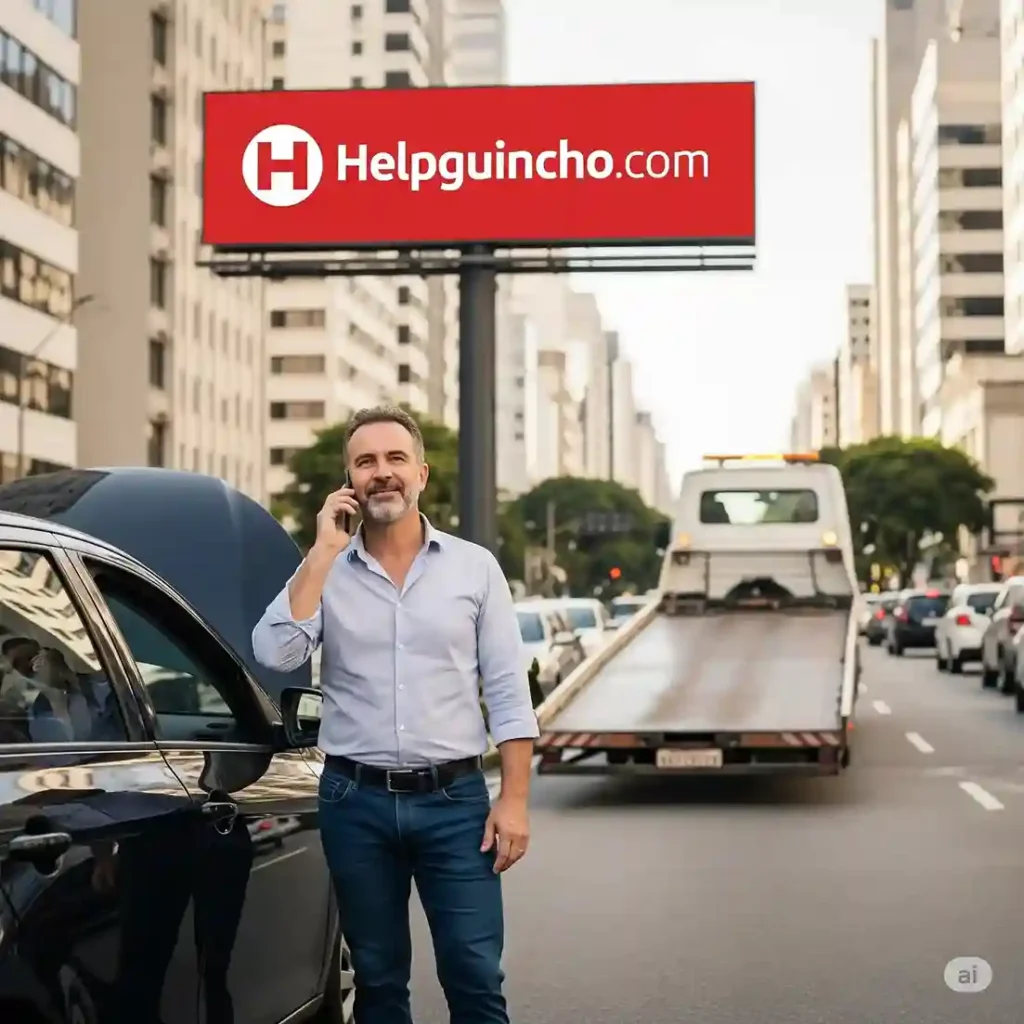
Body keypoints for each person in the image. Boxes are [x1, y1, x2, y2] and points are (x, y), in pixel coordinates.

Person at [252, 405, 538, 1024]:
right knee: (378, 984)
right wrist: (323, 551)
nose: (382, 473)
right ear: (349, 480)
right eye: (366, 462)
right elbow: (275, 652)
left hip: (456, 803)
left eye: (395, 459)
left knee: (474, 976)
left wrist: (513, 800)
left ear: (421, 474)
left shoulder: (474, 568)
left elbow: (510, 692)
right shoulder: (326, 571)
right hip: (356, 803)